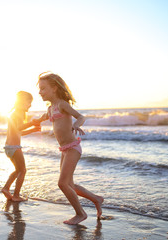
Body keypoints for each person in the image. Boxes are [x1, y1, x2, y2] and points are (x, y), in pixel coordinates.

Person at [35, 72, 104, 225]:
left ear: (54, 88)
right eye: (39, 89)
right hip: (64, 149)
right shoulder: (50, 108)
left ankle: (80, 214)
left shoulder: (62, 104)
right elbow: (39, 120)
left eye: (43, 89)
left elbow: (81, 117)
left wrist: (76, 125)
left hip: (73, 148)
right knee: (69, 184)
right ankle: (97, 199)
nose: (40, 92)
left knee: (62, 183)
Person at [2, 91, 41, 202]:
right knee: (22, 170)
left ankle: (6, 188)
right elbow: (20, 128)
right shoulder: (17, 114)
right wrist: (32, 123)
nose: (30, 105)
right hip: (15, 147)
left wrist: (32, 129)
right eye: (29, 102)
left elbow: (18, 132)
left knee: (18, 170)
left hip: (8, 147)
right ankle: (16, 195)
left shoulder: (14, 114)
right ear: (22, 102)